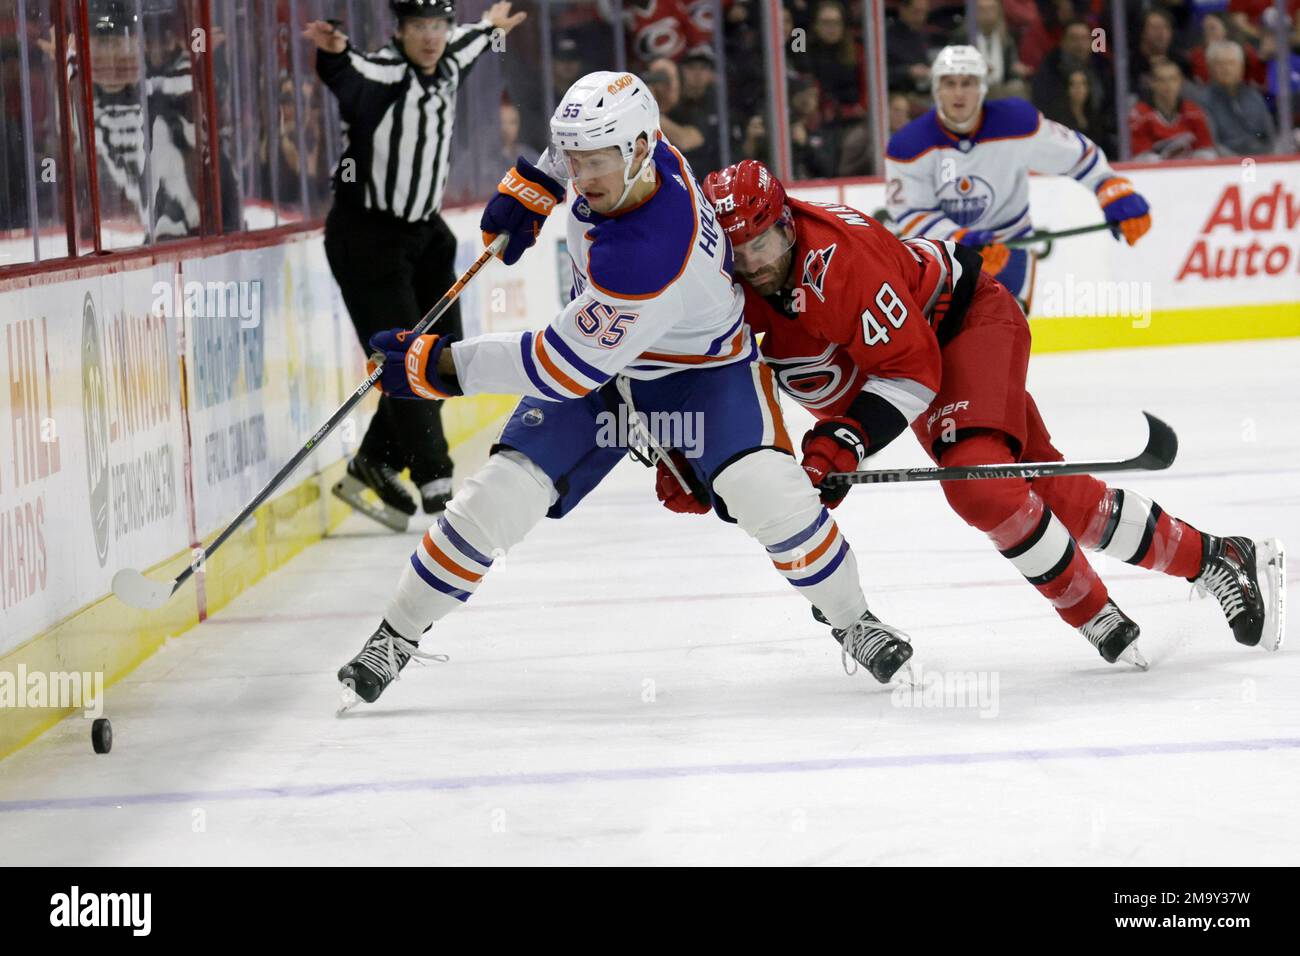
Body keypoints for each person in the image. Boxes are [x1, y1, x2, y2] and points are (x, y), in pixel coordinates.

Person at [335, 72, 914, 706]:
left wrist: (437, 368)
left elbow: (560, 367)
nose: (583, 177)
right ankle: (395, 635)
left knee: (768, 493)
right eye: (575, 159)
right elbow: (575, 148)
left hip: (701, 376)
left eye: (594, 162)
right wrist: (538, 180)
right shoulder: (638, 149)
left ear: (639, 150)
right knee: (499, 494)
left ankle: (854, 620)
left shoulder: (652, 247)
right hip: (611, 371)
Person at [688, 159, 1285, 665]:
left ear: (788, 225)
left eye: (762, 243)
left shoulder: (842, 266)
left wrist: (842, 443)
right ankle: (1214, 556)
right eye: (737, 250)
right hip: (910, 358)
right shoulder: (726, 281)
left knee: (979, 484)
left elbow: (911, 371)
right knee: (1050, 494)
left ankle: (1090, 610)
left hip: (965, 326)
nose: (753, 261)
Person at [304, 0, 527, 530]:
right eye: (417, 27)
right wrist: (334, 53)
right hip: (368, 238)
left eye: (437, 26)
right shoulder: (382, 72)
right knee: (407, 352)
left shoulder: (449, 58)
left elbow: (471, 42)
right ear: (398, 32)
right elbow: (349, 71)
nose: (430, 37)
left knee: (443, 355)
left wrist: (490, 28)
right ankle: (436, 478)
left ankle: (376, 462)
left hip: (425, 236)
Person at [885, 45, 1151, 311]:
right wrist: (959, 241)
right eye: (949, 83)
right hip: (943, 258)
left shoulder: (1016, 123)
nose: (958, 93)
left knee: (1008, 342)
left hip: (1011, 247)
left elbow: (1077, 155)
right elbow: (910, 212)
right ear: (935, 89)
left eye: (968, 83)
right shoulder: (909, 145)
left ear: (982, 88)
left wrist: (1110, 187)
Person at [1129, 59, 1218, 162]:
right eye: (1162, 80)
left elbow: (1207, 151)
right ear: (1152, 83)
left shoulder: (1195, 112)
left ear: (1181, 81)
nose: (1168, 85)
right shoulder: (1139, 115)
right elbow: (1141, 158)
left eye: (1173, 79)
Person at [1202, 40, 1276, 155]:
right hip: (1225, 164)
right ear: (1210, 67)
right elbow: (1212, 143)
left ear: (1241, 67)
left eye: (1231, 63)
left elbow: (1270, 135)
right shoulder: (1203, 99)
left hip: (1261, 161)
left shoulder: (1253, 96)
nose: (1226, 69)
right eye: (1220, 64)